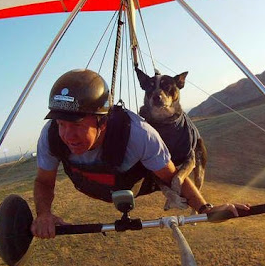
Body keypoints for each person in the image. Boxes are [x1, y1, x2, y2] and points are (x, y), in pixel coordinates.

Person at [32, 69, 249, 238]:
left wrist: (205, 209)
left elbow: (173, 177)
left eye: (78, 125)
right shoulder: (52, 135)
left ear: (103, 122)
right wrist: (43, 214)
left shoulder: (138, 134)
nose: (68, 135)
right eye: (61, 124)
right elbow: (43, 181)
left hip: (132, 183)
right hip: (90, 183)